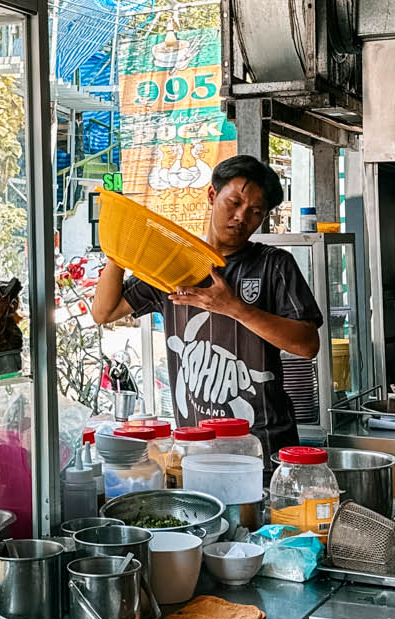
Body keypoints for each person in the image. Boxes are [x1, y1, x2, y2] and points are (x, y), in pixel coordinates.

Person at [92, 155, 322, 464]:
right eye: (234, 203)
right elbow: (104, 313)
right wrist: (118, 252)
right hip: (195, 445)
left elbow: (307, 345)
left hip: (263, 446)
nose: (241, 217)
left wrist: (234, 308)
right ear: (212, 195)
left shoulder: (274, 265)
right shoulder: (173, 263)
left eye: (255, 212)